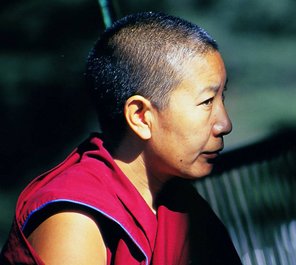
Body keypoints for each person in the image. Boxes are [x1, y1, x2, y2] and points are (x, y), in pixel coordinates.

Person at [0, 12, 242, 265]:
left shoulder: (179, 203)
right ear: (140, 116)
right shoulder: (76, 220)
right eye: (206, 102)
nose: (224, 124)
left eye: (220, 98)